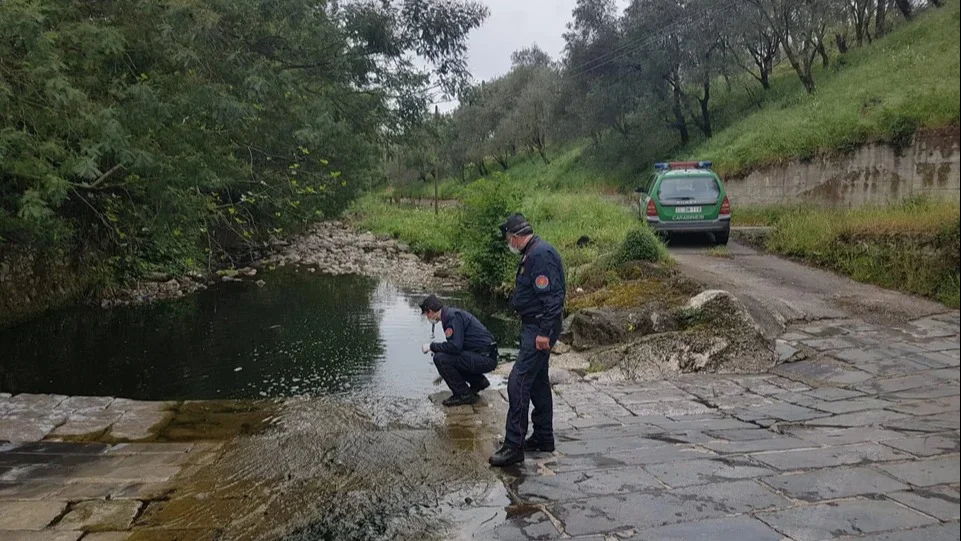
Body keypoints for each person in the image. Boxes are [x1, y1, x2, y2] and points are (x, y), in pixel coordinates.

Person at [489, 213, 565, 467]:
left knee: (518, 382)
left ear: (515, 235)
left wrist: (544, 332)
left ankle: (514, 446)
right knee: (538, 383)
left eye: (508, 237)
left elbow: (553, 298)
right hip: (534, 325)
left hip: (539, 327)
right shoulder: (532, 252)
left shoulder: (540, 255)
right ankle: (544, 437)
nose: (507, 242)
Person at [420, 294, 499, 407]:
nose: (427, 317)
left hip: (484, 358)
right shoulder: (450, 315)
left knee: (440, 358)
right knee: (446, 356)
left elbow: (455, 347)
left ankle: (464, 395)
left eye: (426, 314)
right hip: (485, 356)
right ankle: (478, 382)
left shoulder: (451, 317)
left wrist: (431, 346)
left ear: (430, 311)